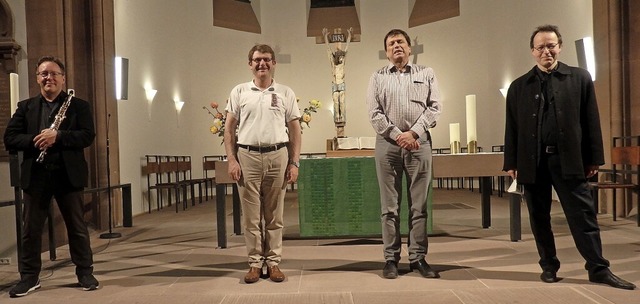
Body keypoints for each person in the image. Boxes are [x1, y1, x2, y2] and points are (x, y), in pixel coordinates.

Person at [503, 24, 636, 290]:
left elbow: (591, 121)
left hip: (569, 160)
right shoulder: (519, 86)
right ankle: (549, 266)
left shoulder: (580, 78)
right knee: (539, 218)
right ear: (532, 51)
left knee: (583, 216)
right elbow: (512, 128)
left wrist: (594, 159)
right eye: (540, 47)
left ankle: (598, 268)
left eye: (551, 45)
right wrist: (512, 163)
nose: (546, 51)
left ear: (559, 47)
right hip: (533, 162)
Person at [4, 56, 99, 297]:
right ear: (37, 79)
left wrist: (58, 137)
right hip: (36, 176)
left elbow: (87, 135)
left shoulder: (79, 106)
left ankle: (85, 272)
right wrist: (38, 140)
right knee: (31, 230)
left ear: (63, 78)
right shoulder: (25, 107)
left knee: (77, 227)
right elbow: (10, 138)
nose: (49, 77)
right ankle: (29, 278)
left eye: (54, 73)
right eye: (44, 73)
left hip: (68, 175)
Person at [366, 29, 441, 279]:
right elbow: (374, 113)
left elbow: (435, 108)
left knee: (419, 207)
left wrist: (414, 134)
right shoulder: (377, 77)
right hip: (388, 145)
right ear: (386, 51)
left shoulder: (426, 73)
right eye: (391, 43)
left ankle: (418, 258)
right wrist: (399, 135)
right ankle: (391, 259)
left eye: (400, 42)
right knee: (390, 207)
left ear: (410, 48)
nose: (396, 46)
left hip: (420, 145)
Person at [224, 44, 301, 284]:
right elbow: (229, 129)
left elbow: (295, 130)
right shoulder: (239, 91)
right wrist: (232, 159)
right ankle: (255, 264)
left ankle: (274, 263)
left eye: (266, 59)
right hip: (247, 156)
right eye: (257, 60)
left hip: (278, 155)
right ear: (250, 64)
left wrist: (294, 162)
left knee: (274, 215)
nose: (262, 64)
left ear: (274, 63)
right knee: (251, 217)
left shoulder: (285, 93)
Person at [323, 27, 352, 137]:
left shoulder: (342, 64)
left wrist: (349, 37)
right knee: (336, 103)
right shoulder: (333, 64)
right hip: (335, 85)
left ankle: (342, 118)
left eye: (341, 57)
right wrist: (325, 37)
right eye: (339, 57)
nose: (341, 59)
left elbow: (347, 50)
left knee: (342, 103)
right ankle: (337, 118)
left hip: (341, 85)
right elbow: (328, 50)